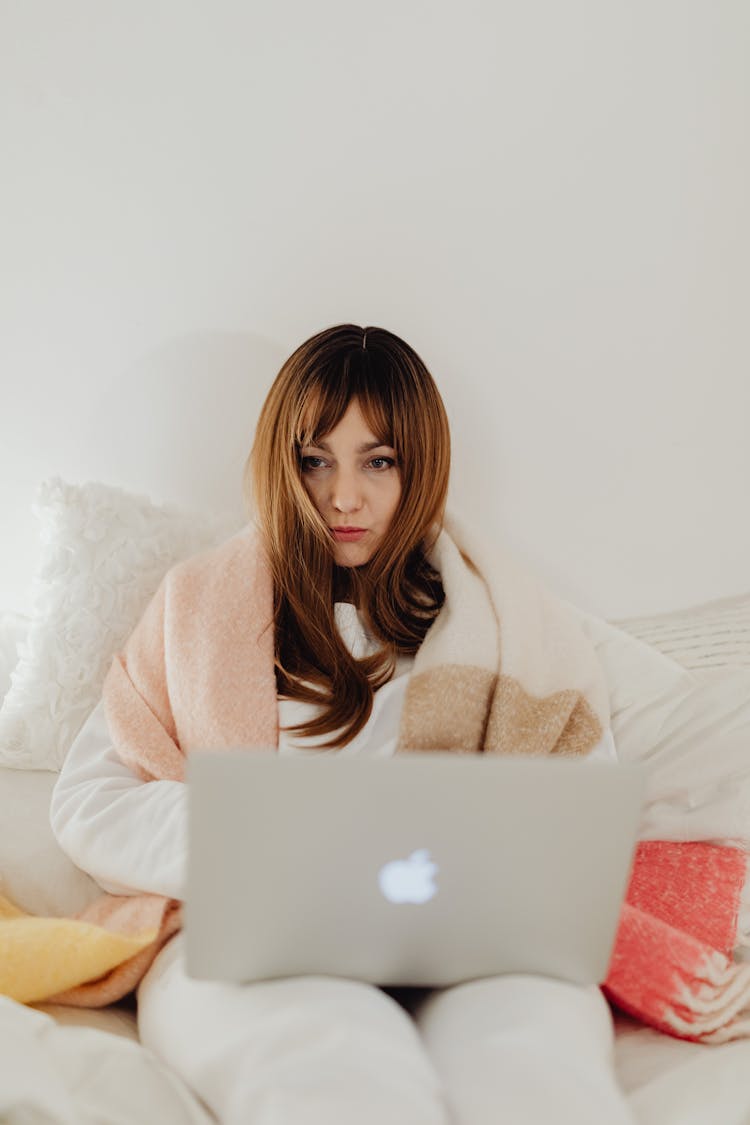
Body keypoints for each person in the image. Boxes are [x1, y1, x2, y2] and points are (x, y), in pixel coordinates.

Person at [51, 324, 635, 1124]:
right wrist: (251, 841)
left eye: (378, 460)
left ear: (419, 467)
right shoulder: (197, 607)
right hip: (256, 940)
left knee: (535, 1075)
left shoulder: (508, 621)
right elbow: (90, 796)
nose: (343, 496)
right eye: (315, 459)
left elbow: (578, 812)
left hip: (470, 945)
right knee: (334, 1079)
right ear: (280, 463)